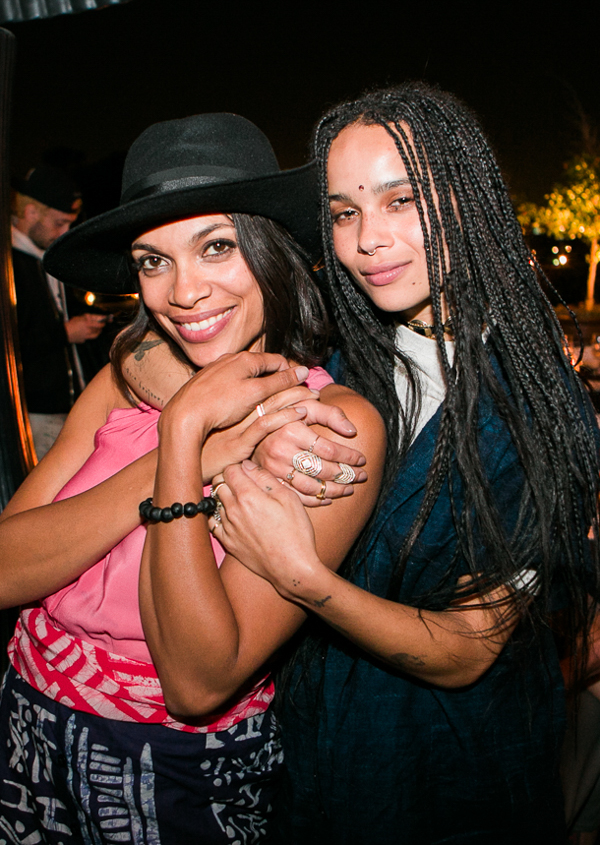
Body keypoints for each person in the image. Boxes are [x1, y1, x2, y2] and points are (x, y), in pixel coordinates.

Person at [201, 84, 600, 844]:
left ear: (467, 200)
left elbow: (465, 650)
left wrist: (301, 575)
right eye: (344, 213)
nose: (367, 241)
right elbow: (164, 345)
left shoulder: (536, 407)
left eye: (401, 200)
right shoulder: (339, 350)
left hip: (452, 775)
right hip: (311, 761)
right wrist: (258, 432)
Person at [0, 114, 384, 843]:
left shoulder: (327, 427)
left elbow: (199, 680)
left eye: (216, 247)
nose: (184, 292)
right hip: (25, 730)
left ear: (273, 250)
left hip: (175, 778)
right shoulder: (124, 379)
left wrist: (182, 439)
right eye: (153, 261)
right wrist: (190, 439)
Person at [11, 165, 107, 458]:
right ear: (31, 213)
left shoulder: (51, 259)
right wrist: (65, 333)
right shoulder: (9, 267)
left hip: (71, 406)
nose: (65, 233)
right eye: (59, 223)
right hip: (35, 412)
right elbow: (13, 344)